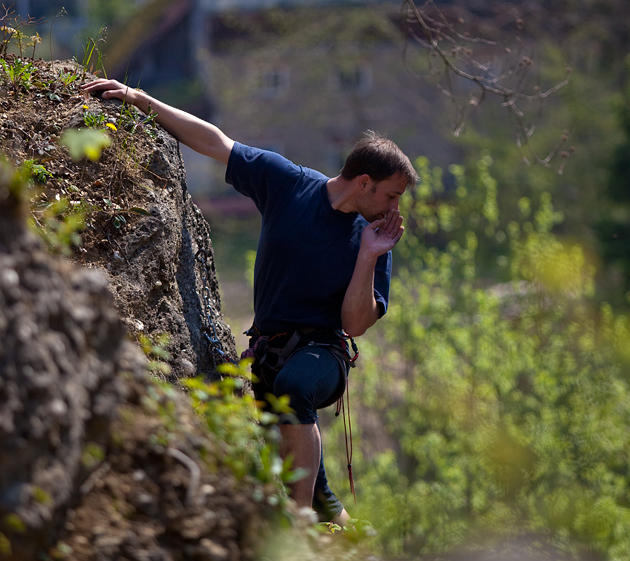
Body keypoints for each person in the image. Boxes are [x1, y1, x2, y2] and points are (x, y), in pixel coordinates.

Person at [82, 78, 418, 526]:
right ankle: (334, 521)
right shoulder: (288, 184)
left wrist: (368, 257)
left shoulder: (375, 238)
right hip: (268, 350)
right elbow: (216, 142)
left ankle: (298, 527)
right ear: (364, 182)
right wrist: (142, 100)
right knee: (301, 470)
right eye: (392, 195)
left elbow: (355, 324)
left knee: (296, 390)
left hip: (324, 353)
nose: (396, 208)